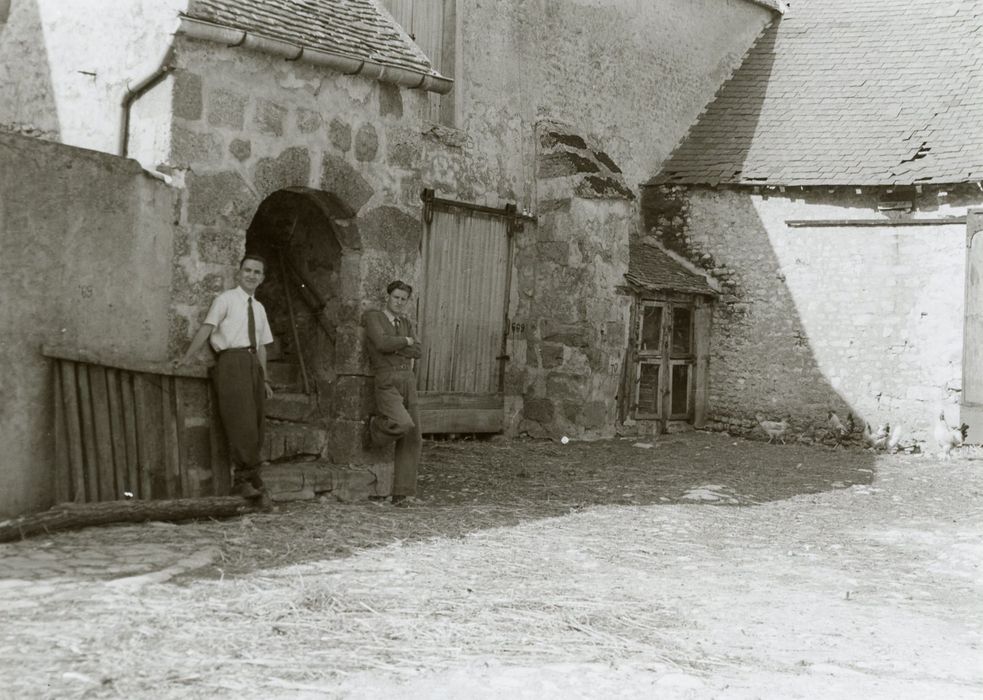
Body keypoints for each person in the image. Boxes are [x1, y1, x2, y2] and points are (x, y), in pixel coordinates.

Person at [175, 254, 275, 505]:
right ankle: (246, 480)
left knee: (256, 424)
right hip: (231, 362)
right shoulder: (226, 300)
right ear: (239, 273)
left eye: (257, 272)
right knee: (241, 421)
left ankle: (249, 481)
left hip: (252, 365)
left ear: (262, 278)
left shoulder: (259, 308)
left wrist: (264, 379)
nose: (251, 275)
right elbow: (207, 328)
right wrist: (188, 357)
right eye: (247, 270)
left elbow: (262, 346)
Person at [363, 280, 422, 505]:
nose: (398, 302)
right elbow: (381, 343)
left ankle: (402, 493)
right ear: (387, 297)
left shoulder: (406, 322)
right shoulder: (374, 317)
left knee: (413, 436)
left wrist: (401, 343)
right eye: (395, 297)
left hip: (408, 380)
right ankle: (376, 428)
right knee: (403, 423)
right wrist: (405, 342)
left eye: (403, 299)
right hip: (387, 379)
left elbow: (418, 350)